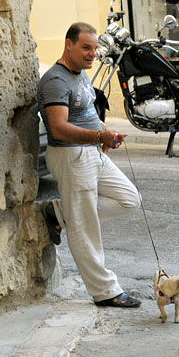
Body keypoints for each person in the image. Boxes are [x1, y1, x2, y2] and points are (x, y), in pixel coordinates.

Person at [38, 22, 142, 308]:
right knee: (84, 227)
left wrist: (103, 133)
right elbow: (58, 128)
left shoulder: (79, 74)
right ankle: (105, 292)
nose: (91, 54)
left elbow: (84, 113)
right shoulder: (55, 80)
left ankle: (59, 213)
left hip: (92, 152)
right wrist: (98, 135)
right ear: (68, 44)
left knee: (129, 199)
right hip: (71, 157)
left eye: (95, 49)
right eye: (86, 47)